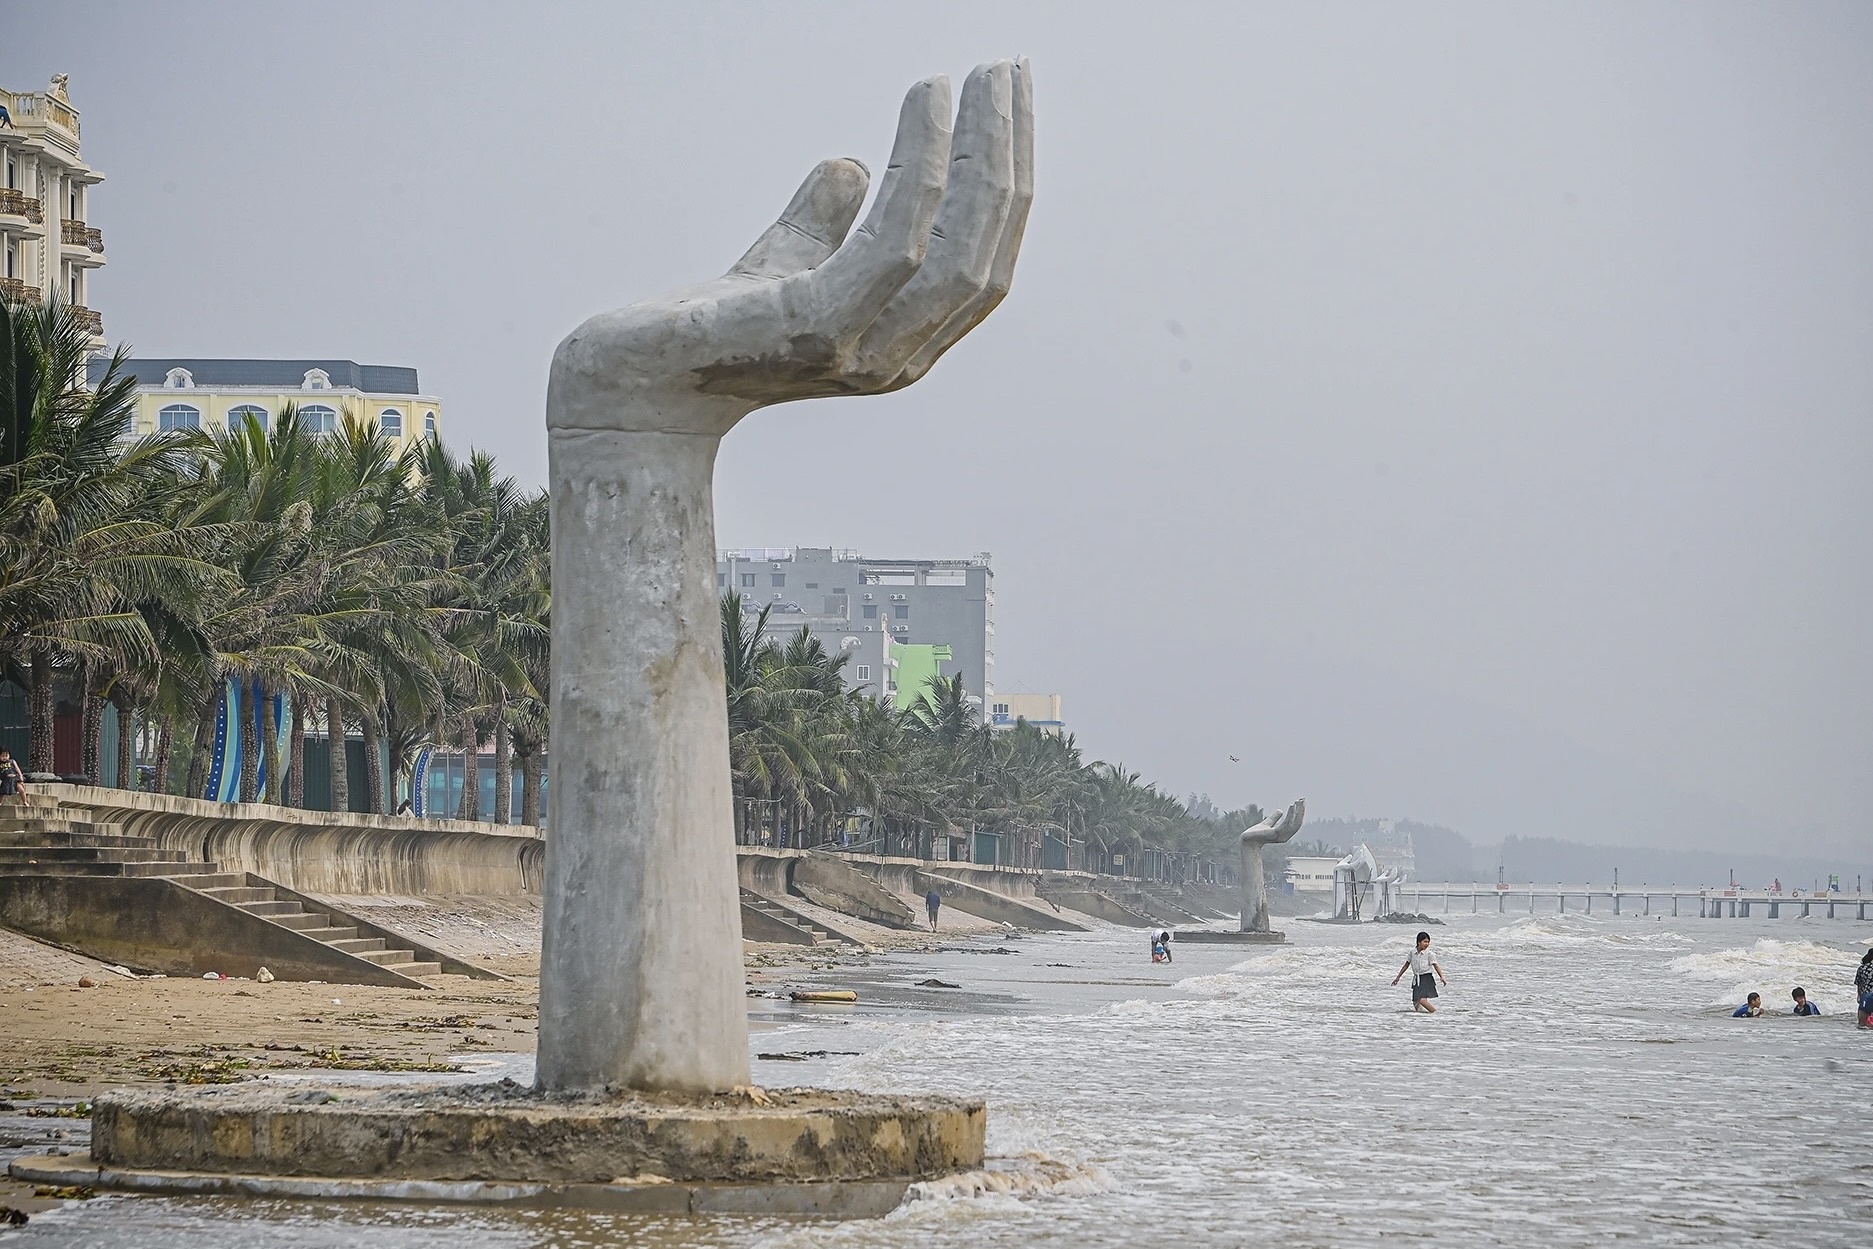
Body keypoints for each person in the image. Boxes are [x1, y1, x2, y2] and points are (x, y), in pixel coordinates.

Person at [1392, 931, 1447, 1012]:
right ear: (1418, 942)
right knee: (1416, 1002)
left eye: (1428, 942)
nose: (1427, 944)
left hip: (1426, 978)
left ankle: (1436, 1013)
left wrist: (1442, 977)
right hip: (1417, 978)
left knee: (1422, 1000)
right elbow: (1406, 965)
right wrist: (1398, 977)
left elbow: (1436, 965)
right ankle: (1421, 1019)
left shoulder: (1429, 954)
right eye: (1425, 941)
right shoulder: (1412, 952)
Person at [1856, 949, 1873, 1027]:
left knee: (1862, 1025)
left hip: (1865, 997)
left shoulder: (1862, 968)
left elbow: (1859, 984)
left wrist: (1859, 996)